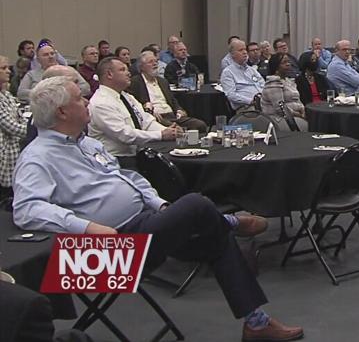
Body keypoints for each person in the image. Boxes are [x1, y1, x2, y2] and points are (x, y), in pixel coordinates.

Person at [12, 76, 304, 341]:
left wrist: (160, 204)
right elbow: (27, 209)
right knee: (196, 204)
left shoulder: (86, 144)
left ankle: (256, 321)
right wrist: (85, 227)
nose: (86, 101)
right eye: (78, 98)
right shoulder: (39, 157)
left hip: (147, 223)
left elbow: (128, 178)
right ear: (62, 112)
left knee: (211, 230)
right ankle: (230, 223)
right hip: (112, 248)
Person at [88, 57, 178, 168]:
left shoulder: (126, 97)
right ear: (109, 74)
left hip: (137, 153)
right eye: (122, 70)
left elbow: (146, 121)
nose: (128, 73)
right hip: (115, 160)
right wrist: (161, 135)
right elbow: (125, 135)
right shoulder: (101, 103)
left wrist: (168, 131)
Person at [129, 51, 207, 132]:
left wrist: (179, 110)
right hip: (156, 117)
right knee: (174, 128)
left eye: (156, 61)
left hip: (172, 116)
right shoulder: (135, 82)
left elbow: (173, 100)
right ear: (141, 66)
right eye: (150, 62)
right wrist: (147, 111)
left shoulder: (163, 81)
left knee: (200, 125)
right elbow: (133, 103)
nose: (155, 64)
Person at [18, 43, 90, 103]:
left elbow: (86, 88)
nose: (50, 56)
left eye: (52, 54)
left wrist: (65, 93)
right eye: (46, 55)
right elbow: (21, 93)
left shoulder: (69, 70)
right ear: (38, 59)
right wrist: (47, 94)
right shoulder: (31, 74)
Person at [0, 55, 28, 200]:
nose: (9, 71)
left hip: (14, 154)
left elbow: (20, 118)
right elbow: (13, 127)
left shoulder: (6, 95)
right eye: (3, 68)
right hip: (4, 159)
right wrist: (34, 131)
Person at [261, 54, 308, 131]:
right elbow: (280, 109)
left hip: (293, 115)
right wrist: (299, 115)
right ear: (276, 67)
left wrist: (303, 109)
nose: (288, 64)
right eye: (284, 62)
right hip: (278, 119)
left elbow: (297, 100)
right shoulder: (273, 83)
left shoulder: (288, 81)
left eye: (288, 62)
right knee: (311, 125)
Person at [220, 39, 264, 110]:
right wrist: (250, 101)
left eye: (245, 49)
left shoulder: (252, 70)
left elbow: (263, 85)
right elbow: (231, 95)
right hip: (246, 107)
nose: (244, 52)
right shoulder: (228, 72)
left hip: (263, 103)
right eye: (240, 50)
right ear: (232, 54)